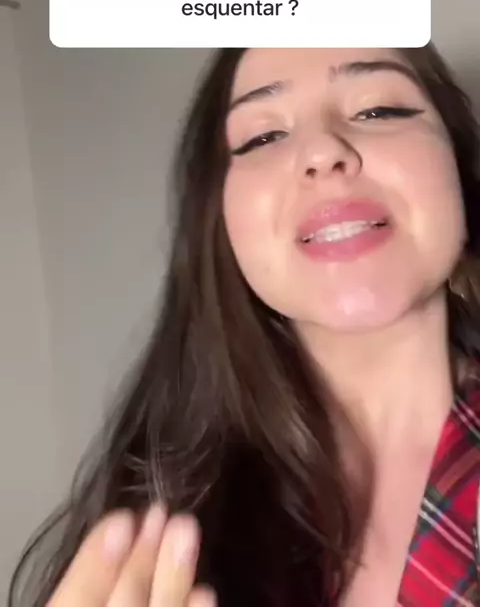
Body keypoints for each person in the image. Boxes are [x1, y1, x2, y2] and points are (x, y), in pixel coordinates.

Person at [9, 45, 480, 607]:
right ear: (221, 223)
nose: (322, 151)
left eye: (378, 110)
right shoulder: (157, 519)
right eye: (262, 137)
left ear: (459, 164)